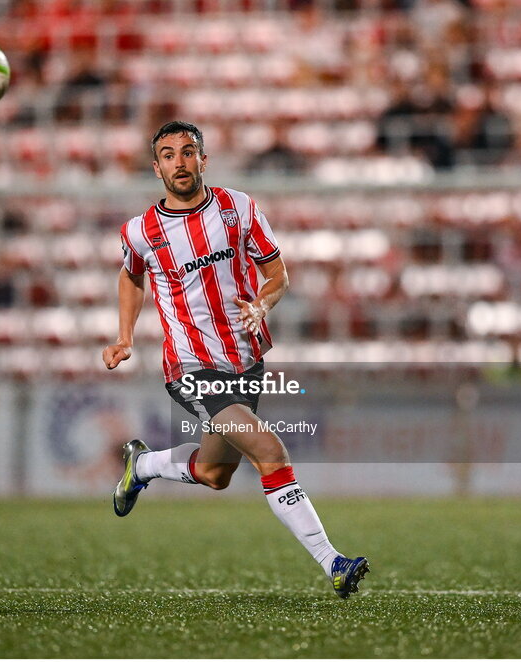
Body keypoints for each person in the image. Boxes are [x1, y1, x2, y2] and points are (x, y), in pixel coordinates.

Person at [102, 121, 369, 599]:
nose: (179, 162)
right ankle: (333, 561)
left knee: (214, 473)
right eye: (168, 155)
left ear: (204, 159)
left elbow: (277, 273)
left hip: (245, 360)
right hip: (191, 366)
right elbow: (130, 276)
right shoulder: (141, 231)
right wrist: (124, 335)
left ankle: (142, 466)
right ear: (156, 166)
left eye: (188, 152)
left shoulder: (238, 209)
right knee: (270, 452)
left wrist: (262, 304)